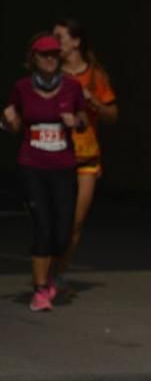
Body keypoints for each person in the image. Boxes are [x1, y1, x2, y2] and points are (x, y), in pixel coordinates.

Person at [1, 34, 87, 311]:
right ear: (33, 60)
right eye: (43, 55)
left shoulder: (72, 88)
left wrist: (76, 121)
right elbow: (11, 123)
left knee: (63, 232)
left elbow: (84, 120)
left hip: (62, 167)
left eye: (53, 55)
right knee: (42, 225)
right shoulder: (22, 88)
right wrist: (8, 121)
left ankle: (50, 277)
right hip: (32, 165)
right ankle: (39, 289)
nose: (49, 59)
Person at [51, 18, 118, 287]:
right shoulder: (50, 74)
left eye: (60, 37)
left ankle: (56, 276)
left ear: (76, 41)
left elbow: (113, 115)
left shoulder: (95, 76)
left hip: (87, 156)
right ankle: (46, 272)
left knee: (75, 224)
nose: (54, 42)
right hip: (55, 154)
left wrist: (93, 102)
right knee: (54, 219)